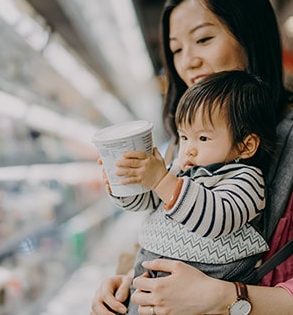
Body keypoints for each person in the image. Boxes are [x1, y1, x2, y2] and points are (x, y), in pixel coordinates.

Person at [91, 0, 293, 314]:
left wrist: (227, 298)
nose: (188, 62)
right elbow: (173, 228)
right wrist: (131, 281)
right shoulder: (189, 140)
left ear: (250, 37)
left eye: (204, 39)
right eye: (176, 49)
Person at [103, 70, 277, 315]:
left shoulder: (245, 179)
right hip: (147, 279)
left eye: (203, 138)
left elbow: (219, 217)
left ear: (246, 145)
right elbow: (149, 200)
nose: (189, 150)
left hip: (199, 295)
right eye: (184, 137)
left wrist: (162, 179)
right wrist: (124, 184)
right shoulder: (181, 170)